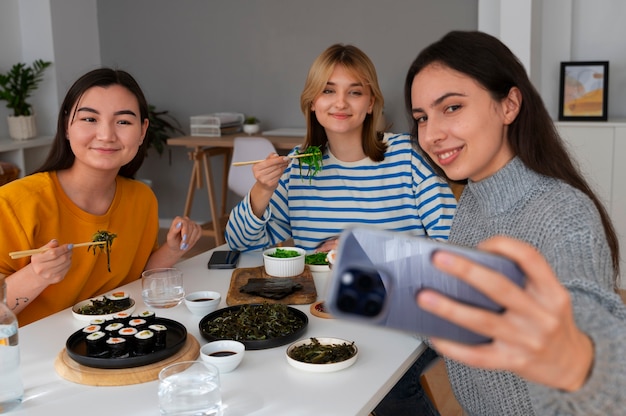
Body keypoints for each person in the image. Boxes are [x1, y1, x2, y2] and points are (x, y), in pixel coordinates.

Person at [405, 30, 625, 414]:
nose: (432, 134)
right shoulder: (474, 199)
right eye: (422, 117)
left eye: (452, 107)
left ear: (509, 105)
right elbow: (469, 327)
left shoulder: (565, 215)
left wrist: (579, 358)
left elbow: (594, 352)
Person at [0, 68, 201, 326]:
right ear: (66, 127)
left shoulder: (141, 199)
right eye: (89, 119)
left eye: (123, 122)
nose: (106, 135)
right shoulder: (13, 203)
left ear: (142, 131)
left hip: (113, 339)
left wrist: (173, 249)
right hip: (34, 354)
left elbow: (137, 276)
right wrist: (37, 275)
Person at [225, 43, 456, 253]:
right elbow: (239, 243)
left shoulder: (410, 156)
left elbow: (455, 244)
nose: (341, 102)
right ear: (313, 102)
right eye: (328, 90)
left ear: (370, 104)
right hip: (318, 298)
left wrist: (370, 250)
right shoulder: (297, 167)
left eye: (355, 92)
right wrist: (263, 189)